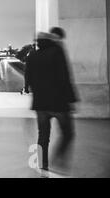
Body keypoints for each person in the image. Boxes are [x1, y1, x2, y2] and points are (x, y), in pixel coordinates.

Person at [25, 32, 78, 176]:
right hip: (58, 103)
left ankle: (42, 165)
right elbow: (65, 76)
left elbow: (28, 78)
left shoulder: (32, 55)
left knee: (42, 135)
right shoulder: (57, 52)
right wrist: (71, 99)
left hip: (40, 104)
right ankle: (58, 158)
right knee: (68, 133)